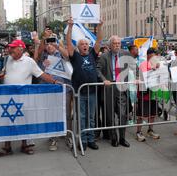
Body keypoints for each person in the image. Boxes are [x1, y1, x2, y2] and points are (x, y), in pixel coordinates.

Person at [0, 39, 62, 157]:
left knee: (23, 120)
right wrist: (1, 75)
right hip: (7, 96)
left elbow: (41, 74)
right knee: (7, 121)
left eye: (13, 48)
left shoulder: (29, 61)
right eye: (10, 47)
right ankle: (7, 146)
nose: (10, 49)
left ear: (20, 49)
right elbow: (1, 73)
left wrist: (55, 81)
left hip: (23, 98)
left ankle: (24, 145)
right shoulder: (7, 59)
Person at [66, 18, 104, 151]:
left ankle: (91, 139)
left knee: (91, 117)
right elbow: (69, 43)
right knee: (81, 117)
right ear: (78, 47)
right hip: (80, 92)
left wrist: (99, 26)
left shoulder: (93, 54)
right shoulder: (75, 56)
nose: (84, 46)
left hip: (92, 92)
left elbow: (99, 41)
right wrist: (70, 27)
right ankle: (82, 140)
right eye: (82, 44)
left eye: (86, 44)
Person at [35, 36, 72, 151]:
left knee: (66, 113)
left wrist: (58, 46)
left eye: (52, 43)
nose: (49, 45)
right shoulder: (44, 56)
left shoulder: (61, 53)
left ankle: (68, 135)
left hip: (64, 89)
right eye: (47, 44)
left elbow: (68, 56)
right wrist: (42, 39)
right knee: (51, 113)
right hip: (49, 90)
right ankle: (53, 137)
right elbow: (36, 56)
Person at [97, 35, 133, 148]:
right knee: (109, 114)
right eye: (114, 43)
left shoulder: (125, 54)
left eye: (118, 43)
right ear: (110, 45)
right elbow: (97, 70)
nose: (117, 45)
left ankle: (122, 138)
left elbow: (134, 66)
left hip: (121, 86)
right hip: (109, 87)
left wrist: (137, 77)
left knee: (122, 114)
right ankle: (114, 137)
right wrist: (104, 80)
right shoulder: (104, 56)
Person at [135, 48, 161, 142]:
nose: (155, 58)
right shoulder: (143, 64)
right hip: (143, 93)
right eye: (153, 56)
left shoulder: (157, 65)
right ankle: (138, 132)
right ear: (148, 55)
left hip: (153, 93)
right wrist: (152, 70)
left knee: (152, 113)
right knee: (141, 114)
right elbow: (143, 76)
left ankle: (150, 130)